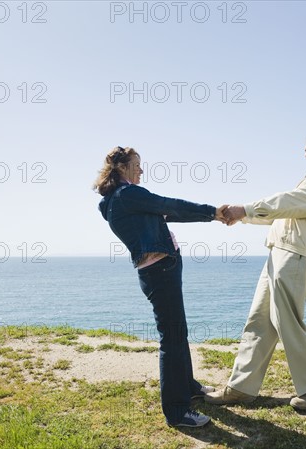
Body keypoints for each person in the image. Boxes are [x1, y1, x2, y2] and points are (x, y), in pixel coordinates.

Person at [208, 129, 306, 411]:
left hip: (297, 255)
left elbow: (289, 203)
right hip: (283, 252)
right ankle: (241, 387)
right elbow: (286, 214)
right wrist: (244, 216)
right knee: (260, 320)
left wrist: (244, 209)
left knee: (286, 320)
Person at [94, 146, 225, 427]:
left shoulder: (116, 200)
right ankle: (177, 412)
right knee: (172, 337)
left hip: (157, 270)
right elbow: (169, 205)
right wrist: (214, 212)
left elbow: (169, 214)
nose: (141, 170)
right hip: (160, 271)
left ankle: (188, 387)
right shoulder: (128, 195)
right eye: (137, 165)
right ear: (121, 168)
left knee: (178, 331)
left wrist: (210, 216)